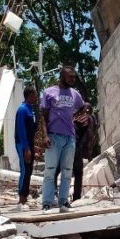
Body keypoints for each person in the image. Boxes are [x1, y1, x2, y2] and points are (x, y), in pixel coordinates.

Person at [41, 66, 85, 212]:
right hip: (54, 136)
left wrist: (75, 116)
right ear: (62, 77)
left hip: (70, 137)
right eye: (70, 77)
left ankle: (63, 202)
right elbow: (43, 117)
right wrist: (45, 135)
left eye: (74, 77)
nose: (73, 79)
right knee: (50, 170)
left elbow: (83, 107)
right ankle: (47, 202)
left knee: (67, 170)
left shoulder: (75, 94)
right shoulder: (49, 92)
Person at [15, 87, 38, 204]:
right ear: (29, 95)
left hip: (30, 143)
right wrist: (26, 148)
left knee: (29, 170)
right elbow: (21, 130)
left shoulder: (31, 109)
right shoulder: (22, 109)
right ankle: (21, 199)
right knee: (25, 169)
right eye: (35, 95)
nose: (37, 97)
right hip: (23, 144)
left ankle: (25, 196)